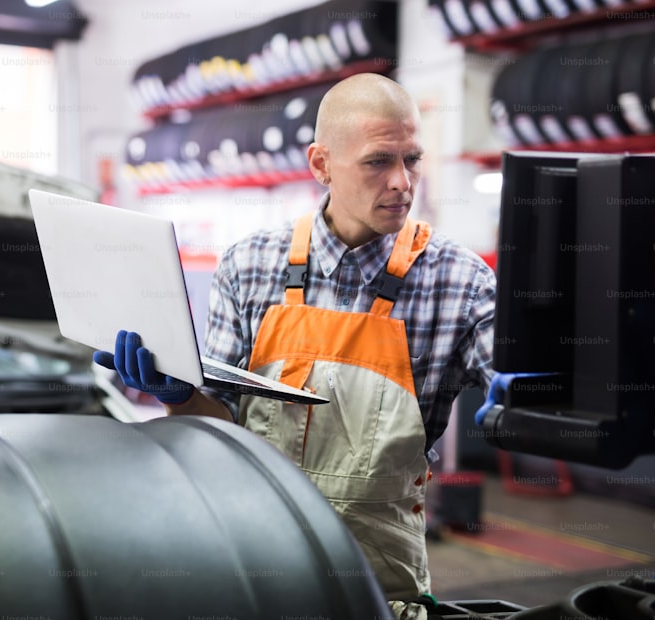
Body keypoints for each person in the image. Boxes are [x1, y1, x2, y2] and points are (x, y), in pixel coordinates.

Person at [95, 73, 496, 606]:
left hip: (377, 588)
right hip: (250, 565)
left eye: (413, 159)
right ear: (321, 164)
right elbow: (220, 432)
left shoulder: (461, 283)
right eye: (379, 161)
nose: (402, 182)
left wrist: (533, 389)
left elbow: (522, 387)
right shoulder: (247, 265)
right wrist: (181, 396)